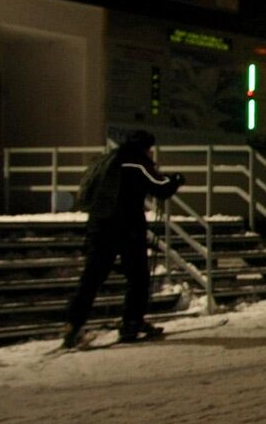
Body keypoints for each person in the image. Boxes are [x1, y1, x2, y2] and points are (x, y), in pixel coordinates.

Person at [61, 130, 185, 348]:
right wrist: (176, 180)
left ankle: (73, 324)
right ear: (145, 147)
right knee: (138, 277)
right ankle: (132, 323)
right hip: (127, 228)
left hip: (99, 225)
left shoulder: (108, 161)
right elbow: (160, 188)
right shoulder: (137, 163)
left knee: (92, 277)